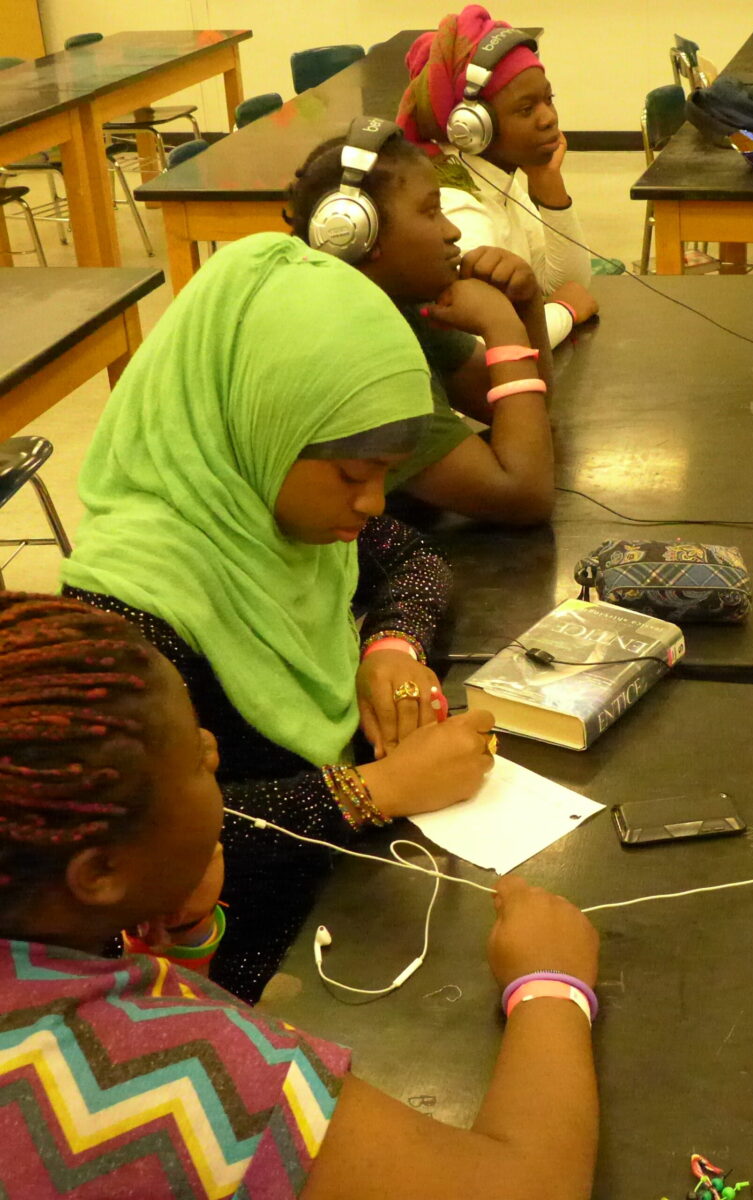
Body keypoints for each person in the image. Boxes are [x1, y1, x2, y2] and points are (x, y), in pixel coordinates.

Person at [0, 591, 600, 1199]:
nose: (214, 750)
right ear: (101, 872)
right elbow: (527, 1188)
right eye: (198, 760)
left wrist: (184, 945)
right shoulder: (136, 1073)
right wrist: (550, 983)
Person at [61, 232, 497, 1004]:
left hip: (343, 898)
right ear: (260, 422)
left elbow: (413, 560)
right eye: (354, 475)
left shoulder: (276, 516)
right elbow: (140, 841)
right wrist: (372, 790)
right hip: (231, 970)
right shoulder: (126, 615)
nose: (371, 505)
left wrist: (390, 645)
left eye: (387, 477)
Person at [286, 126, 556, 525]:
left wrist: (526, 305)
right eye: (431, 211)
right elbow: (522, 494)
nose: (452, 231)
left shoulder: (392, 302)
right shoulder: (360, 349)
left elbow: (524, 415)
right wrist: (504, 327)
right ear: (356, 233)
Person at [397, 4, 599, 348]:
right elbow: (485, 344)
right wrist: (564, 312)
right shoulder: (457, 208)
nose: (549, 117)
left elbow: (569, 283)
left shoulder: (497, 178)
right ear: (471, 127)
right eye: (526, 109)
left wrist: (548, 185)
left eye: (548, 99)